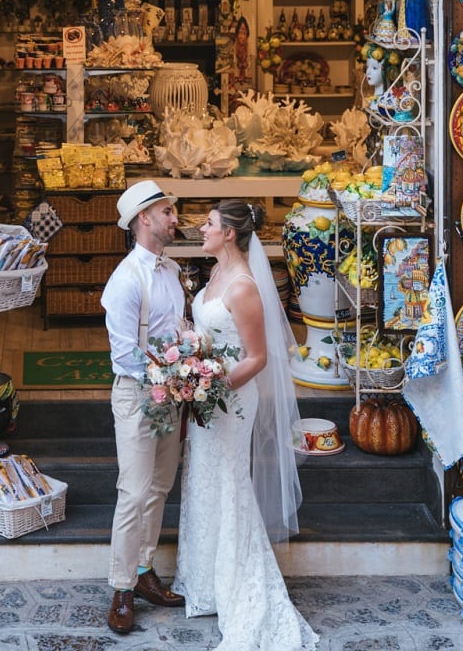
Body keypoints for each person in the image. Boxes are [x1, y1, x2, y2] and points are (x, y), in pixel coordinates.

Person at [173, 200, 319, 651]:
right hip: (207, 397)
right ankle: (207, 582)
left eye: (210, 223)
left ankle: (241, 587)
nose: (202, 228)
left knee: (228, 481)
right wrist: (187, 348)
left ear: (231, 233)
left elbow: (258, 357)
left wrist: (212, 388)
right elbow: (210, 336)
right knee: (204, 480)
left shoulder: (243, 287)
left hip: (231, 400)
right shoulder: (214, 274)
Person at [99, 180, 186, 634]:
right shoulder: (126, 280)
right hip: (137, 396)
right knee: (133, 492)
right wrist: (173, 373)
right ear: (144, 220)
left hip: (171, 395)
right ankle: (121, 587)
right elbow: (124, 355)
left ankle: (145, 570)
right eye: (168, 212)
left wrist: (191, 365)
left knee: (159, 487)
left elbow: (177, 331)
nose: (175, 218)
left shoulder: (171, 272)